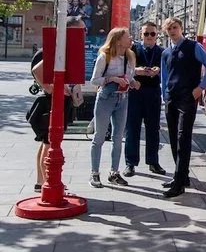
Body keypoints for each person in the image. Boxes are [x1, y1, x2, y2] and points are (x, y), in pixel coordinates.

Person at [160, 17, 206, 198]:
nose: (172, 31)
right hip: (171, 98)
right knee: (173, 137)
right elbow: (164, 76)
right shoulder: (166, 52)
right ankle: (182, 176)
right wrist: (164, 94)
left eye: (175, 27)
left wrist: (201, 88)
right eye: (169, 29)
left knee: (183, 137)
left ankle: (179, 183)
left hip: (187, 97)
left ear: (181, 28)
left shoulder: (194, 47)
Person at [29, 17, 86, 192]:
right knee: (49, 144)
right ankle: (48, 183)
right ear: (69, 31)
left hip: (58, 102)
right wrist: (52, 89)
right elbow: (37, 70)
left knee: (45, 142)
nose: (84, 33)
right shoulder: (58, 48)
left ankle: (41, 182)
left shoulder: (65, 47)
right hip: (51, 104)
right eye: (81, 30)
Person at [89, 28, 138, 188]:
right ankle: (94, 173)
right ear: (118, 40)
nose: (131, 38)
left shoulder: (130, 56)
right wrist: (112, 79)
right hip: (106, 99)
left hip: (122, 99)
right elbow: (94, 80)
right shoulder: (105, 56)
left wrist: (133, 82)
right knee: (99, 136)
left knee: (118, 138)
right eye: (127, 36)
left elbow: (130, 77)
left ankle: (114, 172)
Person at [123, 22, 166, 177]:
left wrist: (158, 70)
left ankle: (153, 162)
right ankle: (130, 163)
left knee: (153, 129)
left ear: (157, 35)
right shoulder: (132, 50)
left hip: (153, 93)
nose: (149, 37)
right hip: (135, 92)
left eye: (152, 34)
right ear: (141, 35)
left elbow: (167, 71)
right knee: (132, 128)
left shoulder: (161, 52)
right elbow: (124, 68)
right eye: (146, 33)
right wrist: (136, 71)